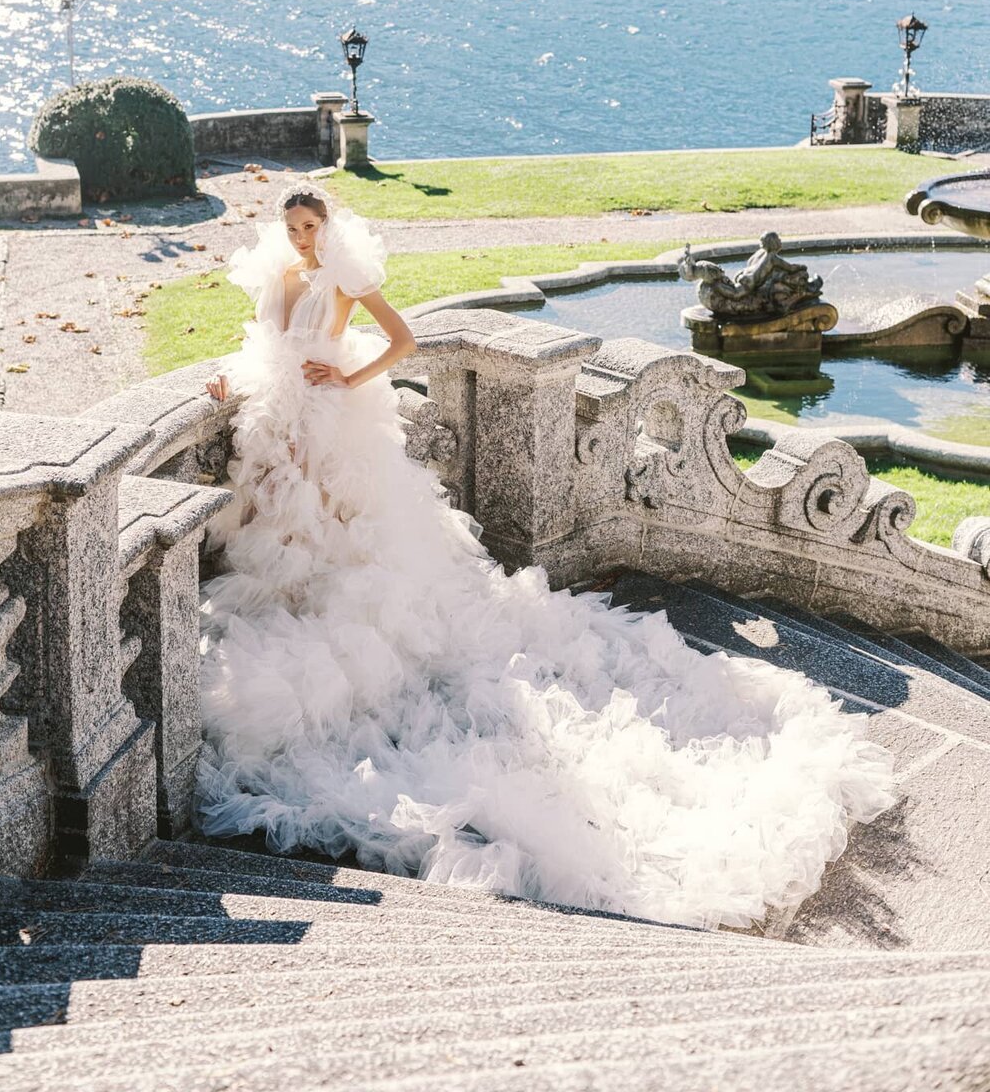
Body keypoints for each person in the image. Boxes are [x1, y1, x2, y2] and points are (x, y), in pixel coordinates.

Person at [200, 181, 894, 930]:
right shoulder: (276, 273)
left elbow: (398, 344)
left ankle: (364, 655)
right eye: (293, 227)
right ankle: (307, 620)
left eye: (311, 226)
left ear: (327, 226)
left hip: (336, 423)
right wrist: (228, 381)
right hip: (282, 424)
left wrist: (347, 375)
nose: (302, 238)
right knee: (286, 536)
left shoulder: (345, 276)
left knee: (352, 541)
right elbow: (264, 344)